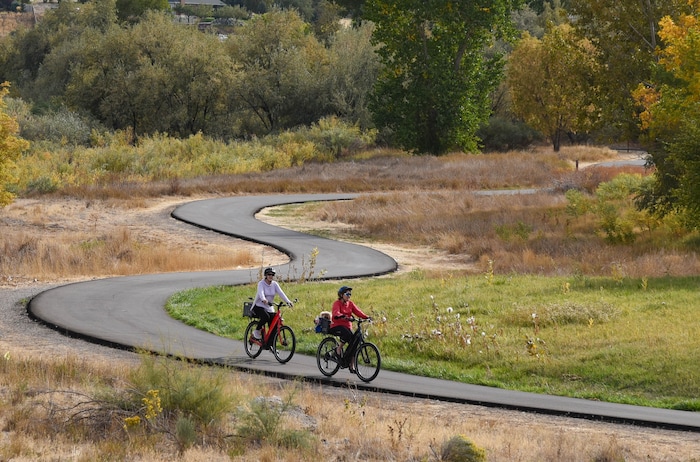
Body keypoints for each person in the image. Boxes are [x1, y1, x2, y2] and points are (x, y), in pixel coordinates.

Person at [329, 286, 369, 366]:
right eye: (347, 294)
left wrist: (367, 317)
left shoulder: (350, 304)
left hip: (347, 326)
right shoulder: (337, 303)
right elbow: (336, 313)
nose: (349, 296)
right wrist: (341, 316)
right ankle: (338, 349)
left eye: (350, 294)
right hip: (337, 325)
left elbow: (358, 312)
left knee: (354, 344)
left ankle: (351, 365)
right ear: (341, 295)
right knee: (346, 334)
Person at [250, 267, 294, 341]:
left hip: (269, 307)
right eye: (269, 274)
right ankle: (257, 331)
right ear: (266, 275)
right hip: (259, 306)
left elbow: (281, 293)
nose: (271, 276)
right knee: (266, 317)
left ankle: (270, 344)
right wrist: (264, 299)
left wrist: (288, 301)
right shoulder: (261, 283)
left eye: (272, 274)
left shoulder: (275, 284)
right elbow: (261, 293)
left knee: (274, 324)